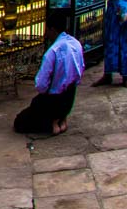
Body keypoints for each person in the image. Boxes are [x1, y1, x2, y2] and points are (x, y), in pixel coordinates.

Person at [13, 7, 85, 135]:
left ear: (52, 29)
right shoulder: (76, 44)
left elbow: (41, 85)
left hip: (53, 99)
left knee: (20, 121)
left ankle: (52, 125)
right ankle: (62, 119)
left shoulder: (53, 52)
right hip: (69, 97)